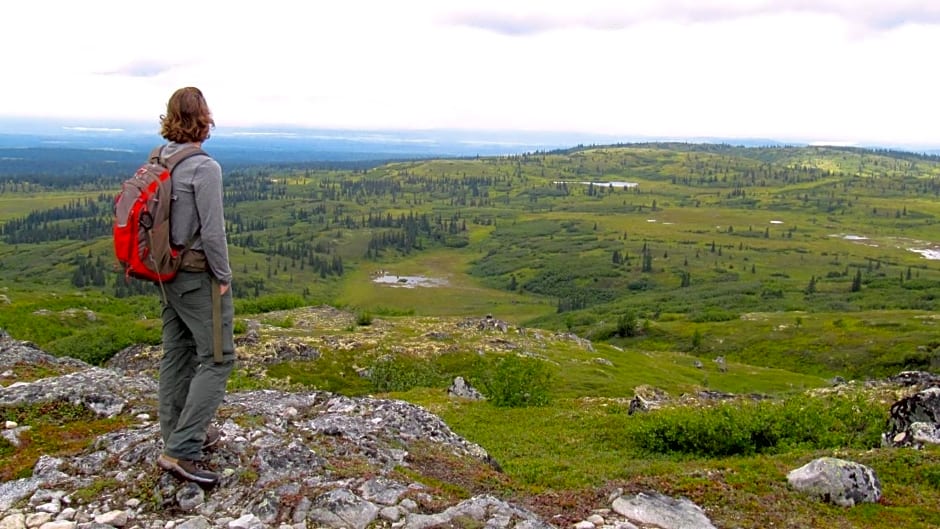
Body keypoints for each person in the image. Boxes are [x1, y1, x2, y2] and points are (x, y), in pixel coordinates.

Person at [154, 87, 235, 487]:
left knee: (178, 352)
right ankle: (182, 450)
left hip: (166, 274)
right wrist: (223, 277)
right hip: (196, 275)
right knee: (218, 359)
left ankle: (175, 437)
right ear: (204, 117)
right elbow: (213, 232)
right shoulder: (205, 167)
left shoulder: (161, 159)